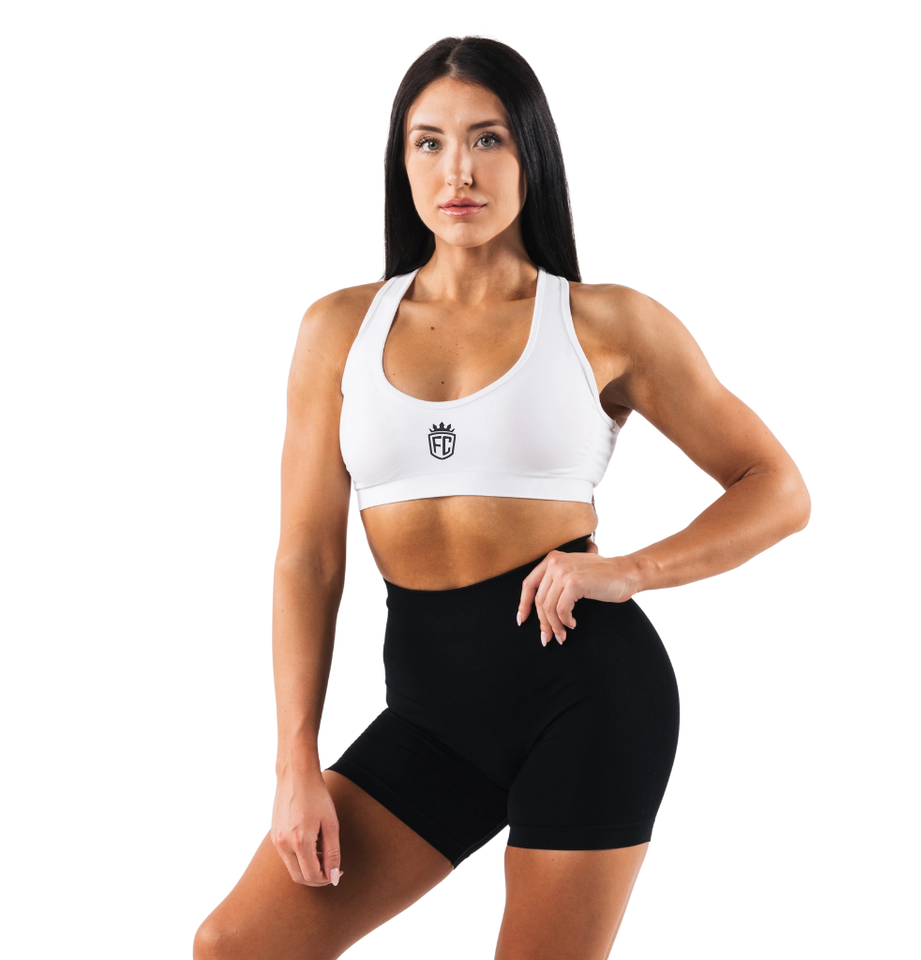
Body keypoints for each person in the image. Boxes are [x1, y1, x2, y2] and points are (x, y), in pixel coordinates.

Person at [194, 34, 810, 960]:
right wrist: (295, 759)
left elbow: (777, 488)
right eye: (429, 142)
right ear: (402, 160)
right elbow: (308, 558)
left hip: (587, 698)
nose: (459, 171)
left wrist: (630, 571)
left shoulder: (607, 321)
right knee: (237, 946)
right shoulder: (337, 329)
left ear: (532, 154)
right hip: (430, 716)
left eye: (488, 139)